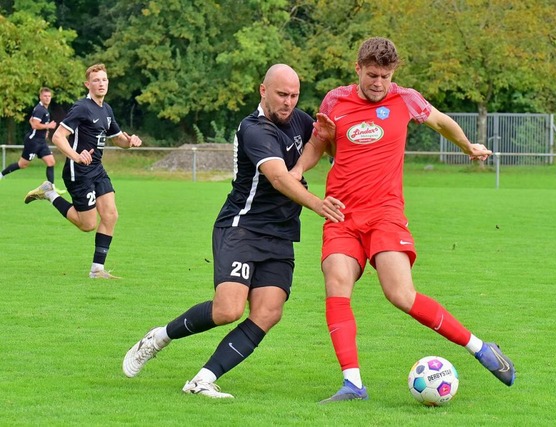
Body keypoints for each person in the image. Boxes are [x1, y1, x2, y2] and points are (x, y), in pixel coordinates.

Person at [292, 37, 516, 403]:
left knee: (399, 294)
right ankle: (353, 384)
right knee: (336, 283)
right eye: (372, 75)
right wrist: (297, 170)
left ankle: (480, 347)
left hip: (385, 213)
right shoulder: (334, 100)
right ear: (358, 69)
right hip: (341, 213)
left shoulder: (406, 99)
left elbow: (441, 122)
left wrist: (468, 147)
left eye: (385, 76)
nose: (378, 83)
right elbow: (319, 142)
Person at [122, 64, 344, 399]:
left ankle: (202, 380)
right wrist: (317, 204)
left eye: (294, 95)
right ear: (263, 90)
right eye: (282, 94)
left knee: (269, 312)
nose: (288, 102)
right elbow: (278, 178)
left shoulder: (299, 120)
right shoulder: (253, 128)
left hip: (281, 233)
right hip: (243, 227)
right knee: (228, 309)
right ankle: (158, 338)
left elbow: (327, 152)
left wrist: (331, 137)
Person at [24, 64, 142, 279]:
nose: (101, 84)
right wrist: (76, 156)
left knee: (111, 215)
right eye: (96, 80)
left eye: (104, 79)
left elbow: (118, 139)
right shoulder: (82, 107)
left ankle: (97, 270)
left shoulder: (106, 110)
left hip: (97, 169)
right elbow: (58, 136)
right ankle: (49, 193)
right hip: (78, 171)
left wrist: (130, 141)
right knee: (87, 224)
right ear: (88, 84)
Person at [0, 87, 64, 192]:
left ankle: (51, 188)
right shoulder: (40, 109)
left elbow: (31, 120)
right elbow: (34, 124)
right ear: (40, 97)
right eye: (45, 96)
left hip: (41, 142)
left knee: (51, 162)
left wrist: (45, 130)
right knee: (22, 165)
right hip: (33, 142)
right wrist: (48, 126)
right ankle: (1, 174)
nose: (47, 98)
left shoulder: (44, 109)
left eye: (49, 96)